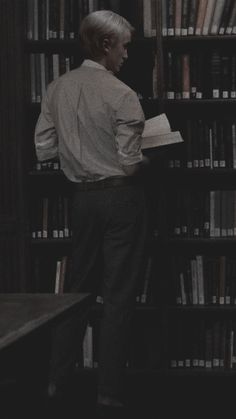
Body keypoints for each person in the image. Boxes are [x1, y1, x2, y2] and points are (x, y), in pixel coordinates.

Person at [34, 10, 149, 418]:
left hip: (80, 200)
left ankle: (56, 381)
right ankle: (109, 393)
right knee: (118, 296)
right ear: (106, 45)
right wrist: (147, 155)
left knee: (75, 294)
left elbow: (45, 149)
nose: (126, 55)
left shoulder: (56, 87)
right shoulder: (122, 94)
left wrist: (77, 150)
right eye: (123, 47)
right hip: (120, 199)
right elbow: (131, 164)